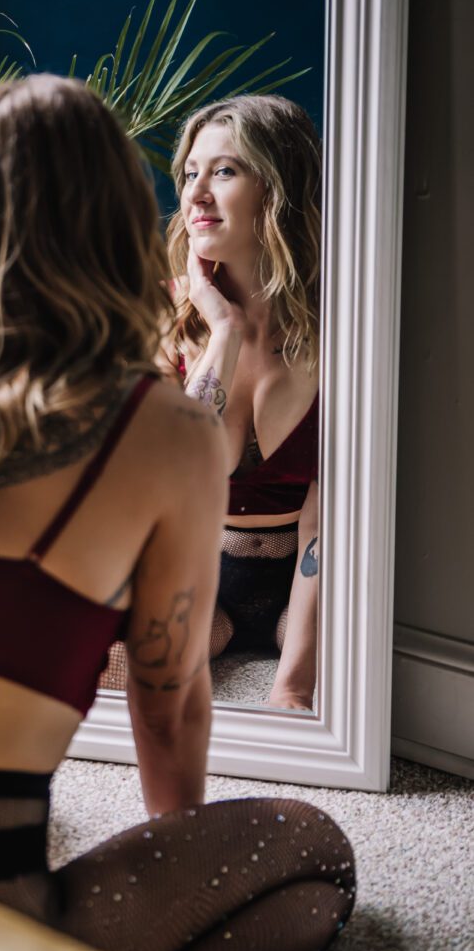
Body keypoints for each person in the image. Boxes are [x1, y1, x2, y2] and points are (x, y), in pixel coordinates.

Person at [0, 76, 353, 951]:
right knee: (318, 858)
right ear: (117, 217)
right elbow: (165, 719)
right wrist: (181, 865)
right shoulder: (157, 429)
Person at [166, 93, 322, 711]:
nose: (196, 193)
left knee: (355, 674)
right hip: (202, 580)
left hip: (305, 589)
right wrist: (222, 332)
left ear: (276, 188)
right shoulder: (169, 315)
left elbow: (327, 522)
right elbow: (180, 477)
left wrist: (292, 686)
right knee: (121, 672)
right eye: (189, 172)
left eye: (224, 171)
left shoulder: (339, 327)